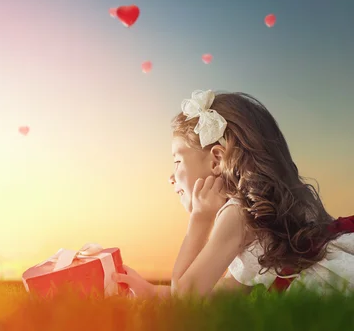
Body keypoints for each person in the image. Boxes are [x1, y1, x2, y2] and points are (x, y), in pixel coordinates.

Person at [112, 89, 354, 298]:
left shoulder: (237, 214)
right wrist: (152, 291)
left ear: (217, 160)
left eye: (177, 161)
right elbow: (224, 293)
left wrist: (200, 220)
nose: (171, 177)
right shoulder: (256, 208)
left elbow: (187, 296)